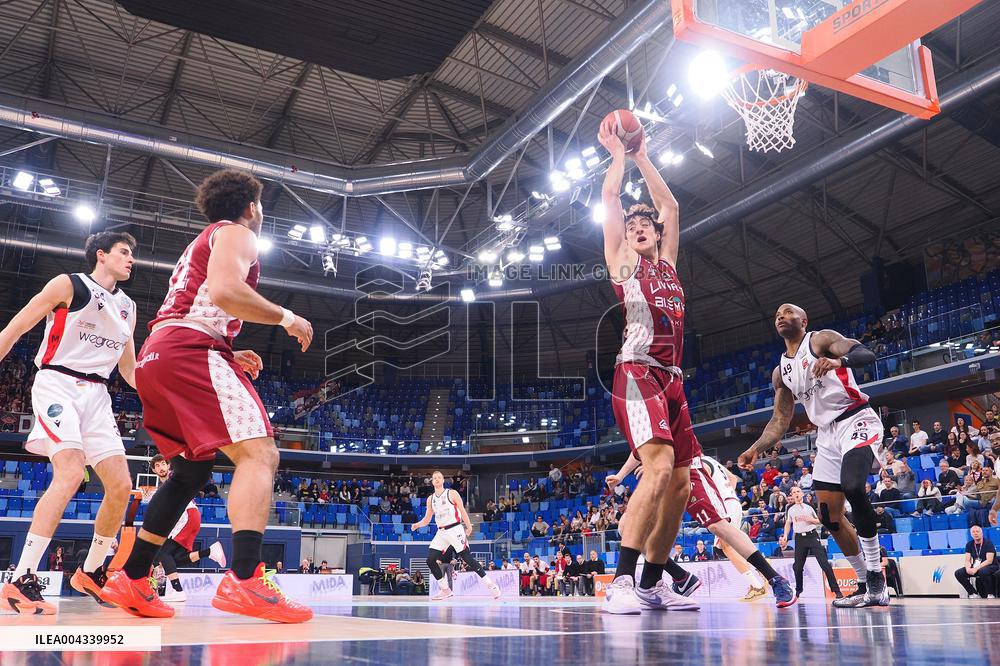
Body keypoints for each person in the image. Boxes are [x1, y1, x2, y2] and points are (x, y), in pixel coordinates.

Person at [101, 169, 314, 623]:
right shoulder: (237, 233)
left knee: (189, 472)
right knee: (260, 452)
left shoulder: (205, 239)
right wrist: (288, 318)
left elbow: (198, 303)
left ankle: (133, 576)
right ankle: (244, 578)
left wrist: (228, 349)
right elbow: (224, 291)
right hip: (188, 350)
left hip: (159, 355)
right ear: (251, 206)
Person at [0, 232, 139, 615]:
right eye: (124, 252)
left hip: (97, 395)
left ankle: (91, 571)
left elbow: (128, 370)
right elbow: (17, 327)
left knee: (121, 485)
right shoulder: (69, 284)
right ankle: (21, 577)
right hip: (57, 383)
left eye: (132, 255)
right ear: (101, 255)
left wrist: (170, 392)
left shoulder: (127, 306)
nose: (131, 260)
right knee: (71, 474)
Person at [597, 119, 700, 616]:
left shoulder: (670, 266)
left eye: (646, 225)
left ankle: (653, 583)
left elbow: (673, 207)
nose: (637, 228)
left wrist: (643, 155)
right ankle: (619, 581)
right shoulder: (623, 262)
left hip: (672, 381)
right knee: (657, 469)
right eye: (632, 226)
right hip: (636, 373)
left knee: (679, 485)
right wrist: (619, 154)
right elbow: (612, 201)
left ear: (658, 235)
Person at [739, 304, 888, 608]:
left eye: (788, 312)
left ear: (803, 321)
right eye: (777, 314)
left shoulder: (820, 340)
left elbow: (866, 354)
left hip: (855, 418)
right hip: (826, 436)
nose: (781, 316)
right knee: (829, 518)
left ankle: (877, 578)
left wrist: (838, 362)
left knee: (855, 487)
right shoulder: (781, 371)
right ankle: (863, 584)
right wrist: (756, 448)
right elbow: (780, 420)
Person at [611, 453, 796, 606]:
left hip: (697, 481)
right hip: (680, 479)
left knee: (722, 536)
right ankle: (678, 578)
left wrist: (660, 466)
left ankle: (770, 580)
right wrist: (621, 475)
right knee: (626, 526)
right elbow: (639, 450)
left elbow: (674, 447)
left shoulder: (700, 458)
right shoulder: (647, 430)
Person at [147, 455, 227, 603]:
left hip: (188, 516)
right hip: (187, 519)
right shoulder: (162, 487)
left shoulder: (173, 478)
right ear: (154, 470)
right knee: (175, 559)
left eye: (163, 464)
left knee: (163, 552)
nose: (161, 467)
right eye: (157, 466)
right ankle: (210, 551)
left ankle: (178, 591)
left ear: (168, 465)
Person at [411, 471, 499, 601]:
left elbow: (462, 510)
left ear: (443, 480)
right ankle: (445, 589)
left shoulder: (451, 493)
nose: (436, 479)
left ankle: (490, 584)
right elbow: (427, 518)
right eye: (434, 478)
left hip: (455, 528)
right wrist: (418, 524)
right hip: (441, 532)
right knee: (430, 560)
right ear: (432, 481)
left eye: (439, 477)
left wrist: (469, 526)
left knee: (467, 559)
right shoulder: (431, 499)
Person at [783, 487, 842, 599]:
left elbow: (820, 521)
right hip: (799, 538)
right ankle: (798, 590)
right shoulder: (790, 508)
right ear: (791, 495)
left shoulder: (809, 506)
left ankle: (837, 591)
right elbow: (788, 522)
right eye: (794, 492)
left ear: (802, 494)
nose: (796, 494)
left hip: (812, 536)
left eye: (798, 491)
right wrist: (785, 535)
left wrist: (810, 520)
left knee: (824, 564)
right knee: (797, 567)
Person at [954, 526, 997, 599]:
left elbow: (989, 560)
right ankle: (973, 593)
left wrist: (975, 569)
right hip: (976, 566)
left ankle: (990, 594)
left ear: (981, 533)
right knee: (958, 573)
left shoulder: (988, 543)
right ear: (971, 534)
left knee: (982, 571)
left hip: (990, 566)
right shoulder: (969, 544)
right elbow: (967, 560)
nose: (975, 533)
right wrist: (968, 568)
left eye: (977, 531)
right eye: (973, 532)